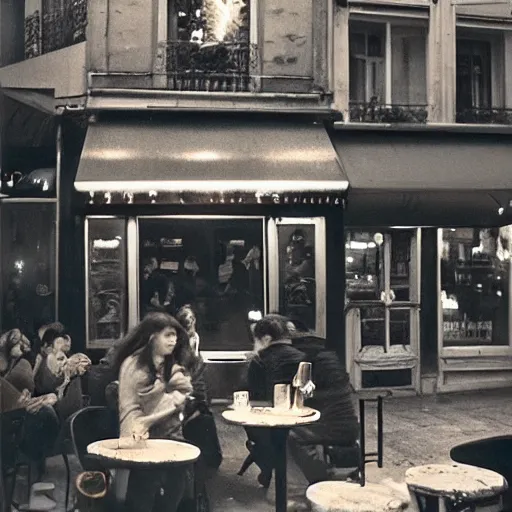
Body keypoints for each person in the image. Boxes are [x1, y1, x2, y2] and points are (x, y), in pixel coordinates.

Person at [244, 314, 360, 486]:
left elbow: (272, 399)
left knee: (277, 434)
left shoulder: (291, 356)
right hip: (348, 425)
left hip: (323, 427)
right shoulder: (321, 352)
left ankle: (293, 485)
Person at [112, 312, 209, 512]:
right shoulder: (135, 364)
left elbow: (184, 386)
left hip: (162, 430)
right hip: (139, 431)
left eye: (175, 335)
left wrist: (175, 389)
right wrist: (175, 396)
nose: (173, 340)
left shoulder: (162, 361)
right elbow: (152, 401)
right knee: (146, 490)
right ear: (151, 337)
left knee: (179, 477)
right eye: (168, 335)